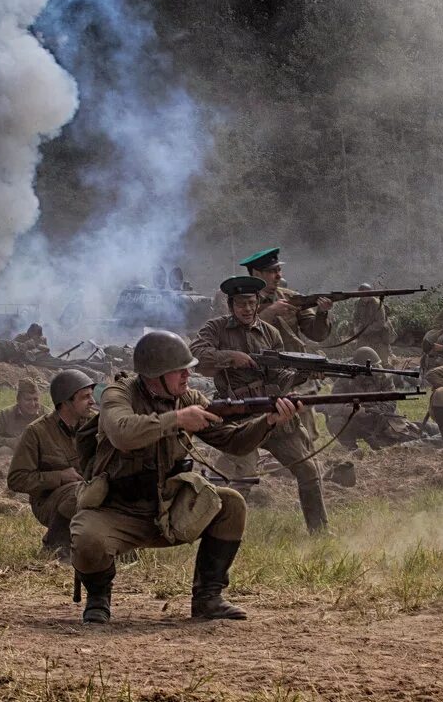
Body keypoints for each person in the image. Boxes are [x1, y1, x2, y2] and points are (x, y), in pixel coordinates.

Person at [69, 331, 299, 624]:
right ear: (156, 374)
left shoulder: (188, 399)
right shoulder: (119, 394)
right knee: (87, 538)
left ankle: (208, 599)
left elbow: (233, 442)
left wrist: (268, 421)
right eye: (181, 370)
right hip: (116, 510)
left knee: (230, 505)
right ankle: (99, 597)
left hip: (168, 507)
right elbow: (122, 432)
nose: (188, 375)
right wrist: (177, 420)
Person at [189, 275, 330, 533]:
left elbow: (280, 375)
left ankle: (320, 532)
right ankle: (217, 534)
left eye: (251, 303)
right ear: (231, 305)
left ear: (257, 304)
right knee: (239, 479)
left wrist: (304, 373)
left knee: (308, 469)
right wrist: (231, 357)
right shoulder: (216, 329)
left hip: (272, 412)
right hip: (239, 415)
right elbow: (196, 353)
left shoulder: (271, 333)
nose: (246, 309)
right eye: (241, 303)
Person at [7, 370, 97, 561]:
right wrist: (60, 477)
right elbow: (16, 479)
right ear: (66, 402)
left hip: (91, 493)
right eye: (85, 397)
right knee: (79, 493)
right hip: (48, 502)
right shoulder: (37, 432)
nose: (92, 401)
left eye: (92, 395)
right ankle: (55, 547)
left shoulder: (96, 424)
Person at [322, 347, 421, 450]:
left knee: (399, 443)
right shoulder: (345, 379)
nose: (375, 368)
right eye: (371, 366)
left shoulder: (384, 377)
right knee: (336, 421)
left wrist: (372, 410)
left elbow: (391, 403)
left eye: (376, 365)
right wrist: (349, 410)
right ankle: (349, 448)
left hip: (377, 419)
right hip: (353, 419)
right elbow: (331, 404)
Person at [239, 247, 332, 353]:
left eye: (279, 270)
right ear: (256, 274)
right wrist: (270, 312)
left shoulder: (291, 297)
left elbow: (317, 335)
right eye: (272, 271)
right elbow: (238, 337)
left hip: (292, 364)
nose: (278, 276)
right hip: (258, 363)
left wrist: (321, 313)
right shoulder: (240, 302)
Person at [0, 379, 46, 456]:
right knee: (4, 451)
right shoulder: (6, 414)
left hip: (41, 455)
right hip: (14, 455)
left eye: (35, 399)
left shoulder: (47, 415)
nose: (33, 404)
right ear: (18, 400)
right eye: (28, 399)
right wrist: (12, 442)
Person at [352, 284, 395, 364]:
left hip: (379, 335)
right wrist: (356, 328)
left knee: (382, 362)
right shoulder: (358, 303)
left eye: (367, 293)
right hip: (364, 335)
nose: (365, 296)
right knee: (360, 357)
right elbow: (355, 318)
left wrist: (365, 330)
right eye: (362, 294)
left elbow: (380, 323)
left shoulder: (377, 304)